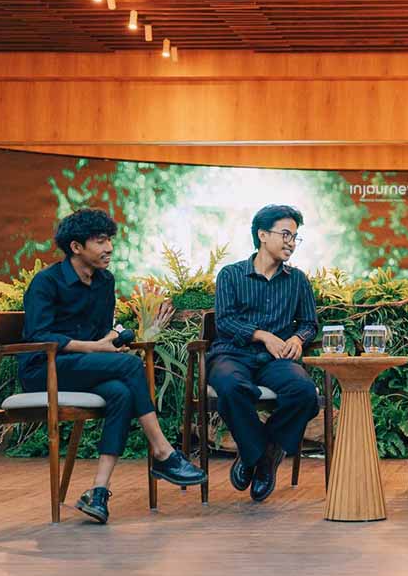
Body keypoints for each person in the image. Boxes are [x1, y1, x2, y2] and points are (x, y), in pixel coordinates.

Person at [20, 208, 207, 524]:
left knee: (121, 393)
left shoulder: (104, 281)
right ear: (76, 247)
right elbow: (40, 335)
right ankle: (163, 452)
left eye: (109, 240)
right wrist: (96, 347)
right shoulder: (46, 282)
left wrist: (113, 339)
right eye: (100, 241)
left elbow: (99, 332)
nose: (108, 248)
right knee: (130, 367)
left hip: (81, 366)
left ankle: (98, 491)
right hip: (44, 370)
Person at [208, 205, 320, 503]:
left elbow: (310, 324)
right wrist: (262, 335)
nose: (291, 243)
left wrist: (298, 338)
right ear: (262, 235)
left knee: (304, 392)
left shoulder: (297, 280)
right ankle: (258, 455)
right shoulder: (231, 275)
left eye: (295, 237)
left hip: (276, 360)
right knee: (231, 387)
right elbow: (225, 322)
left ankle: (265, 453)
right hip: (233, 354)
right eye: (285, 234)